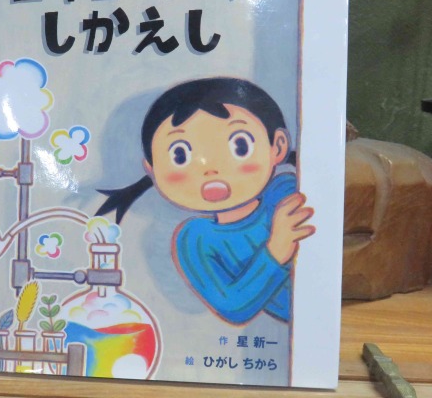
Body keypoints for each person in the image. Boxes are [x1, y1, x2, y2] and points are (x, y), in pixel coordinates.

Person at [97, 77, 314, 324]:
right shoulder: (196, 240)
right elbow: (232, 306)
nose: (211, 170)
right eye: (180, 155)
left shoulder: (287, 192)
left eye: (239, 146)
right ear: (152, 169)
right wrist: (276, 250)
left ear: (278, 147)